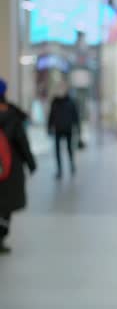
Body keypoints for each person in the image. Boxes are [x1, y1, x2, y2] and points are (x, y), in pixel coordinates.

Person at [0, 79, 37, 254]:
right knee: (5, 206)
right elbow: (22, 142)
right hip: (9, 168)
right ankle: (1, 237)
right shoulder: (12, 115)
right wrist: (30, 163)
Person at [48, 80, 80, 179]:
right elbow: (51, 115)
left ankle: (71, 164)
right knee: (57, 150)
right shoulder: (55, 101)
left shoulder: (70, 101)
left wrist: (78, 128)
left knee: (69, 148)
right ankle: (59, 169)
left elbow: (75, 116)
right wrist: (49, 127)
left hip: (67, 128)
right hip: (58, 128)